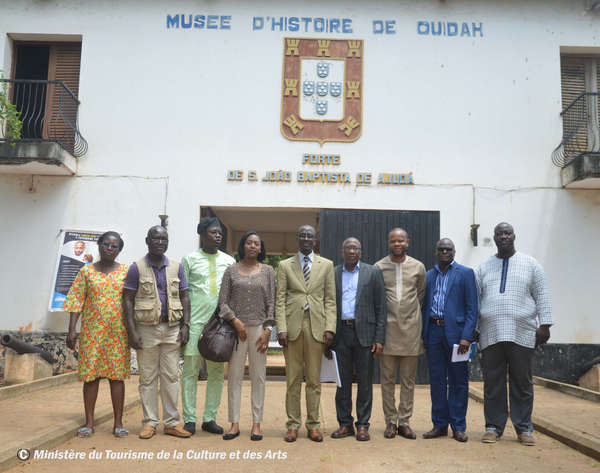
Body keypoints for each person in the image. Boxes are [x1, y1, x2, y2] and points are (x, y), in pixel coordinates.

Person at [476, 222, 552, 446]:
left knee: (522, 382)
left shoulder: (531, 264)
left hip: (523, 333)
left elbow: (542, 295)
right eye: (499, 234)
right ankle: (493, 427)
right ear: (495, 238)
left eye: (507, 233)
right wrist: (475, 329)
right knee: (493, 382)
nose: (503, 237)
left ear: (514, 236)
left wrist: (545, 325)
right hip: (490, 334)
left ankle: (524, 428)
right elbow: (476, 299)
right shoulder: (483, 267)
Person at [123, 225, 192, 439]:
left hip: (171, 329)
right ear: (147, 241)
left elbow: (185, 297)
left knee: (171, 377)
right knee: (148, 378)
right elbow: (127, 299)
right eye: (156, 239)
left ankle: (172, 423)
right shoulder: (137, 267)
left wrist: (186, 326)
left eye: (164, 239)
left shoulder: (176, 266)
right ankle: (150, 422)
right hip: (146, 330)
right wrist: (132, 331)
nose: (160, 242)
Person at [63, 231, 130, 438]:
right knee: (90, 378)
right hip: (92, 333)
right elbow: (76, 300)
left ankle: (118, 424)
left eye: (114, 246)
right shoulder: (86, 272)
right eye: (106, 244)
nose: (110, 248)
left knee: (117, 378)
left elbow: (132, 303)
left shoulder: (127, 272)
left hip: (119, 333)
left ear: (119, 250)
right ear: (99, 246)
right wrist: (72, 329)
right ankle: (89, 423)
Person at [276, 224, 336, 443]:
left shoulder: (326, 265)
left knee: (314, 380)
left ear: (314, 239)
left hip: (317, 327)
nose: (306, 239)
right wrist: (280, 327)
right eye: (302, 235)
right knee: (292, 379)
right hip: (291, 328)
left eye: (309, 236)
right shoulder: (284, 265)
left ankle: (313, 425)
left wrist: (330, 328)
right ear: (297, 238)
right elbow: (280, 298)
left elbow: (330, 299)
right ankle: (292, 425)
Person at [218, 231, 276, 441]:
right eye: (249, 243)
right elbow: (222, 302)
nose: (252, 246)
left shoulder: (268, 271)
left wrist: (268, 330)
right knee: (234, 377)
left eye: (257, 244)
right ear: (242, 246)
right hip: (236, 331)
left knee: (258, 377)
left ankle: (257, 424)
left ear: (261, 249)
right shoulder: (231, 271)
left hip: (259, 330)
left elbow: (272, 302)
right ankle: (234, 424)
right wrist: (235, 320)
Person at [181, 217, 235, 435]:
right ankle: (189, 419)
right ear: (202, 234)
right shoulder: (189, 259)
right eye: (213, 232)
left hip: (219, 327)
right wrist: (183, 324)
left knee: (216, 372)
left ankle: (210, 418)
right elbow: (182, 293)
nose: (218, 235)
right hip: (194, 324)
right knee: (190, 372)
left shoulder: (229, 261)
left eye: (220, 232)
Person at [421, 238, 478, 442]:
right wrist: (424, 336)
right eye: (441, 249)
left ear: (454, 252)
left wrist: (467, 337)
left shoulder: (465, 274)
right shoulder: (428, 275)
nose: (445, 252)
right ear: (436, 252)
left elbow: (473, 309)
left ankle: (458, 426)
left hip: (457, 336)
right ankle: (439, 425)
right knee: (436, 381)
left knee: (458, 382)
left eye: (448, 249)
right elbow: (424, 306)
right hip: (434, 333)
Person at [331, 238, 386, 442]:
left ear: (360, 251)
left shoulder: (373, 273)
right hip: (340, 333)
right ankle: (345, 424)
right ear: (342, 251)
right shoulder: (333, 273)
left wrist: (379, 338)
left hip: (365, 334)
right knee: (342, 383)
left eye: (355, 248)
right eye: (348, 248)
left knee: (365, 382)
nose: (352, 251)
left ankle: (363, 425)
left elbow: (381, 307)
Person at [375, 228, 426, 439]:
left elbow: (421, 294)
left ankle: (404, 422)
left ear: (408, 242)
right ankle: (390, 422)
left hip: (411, 331)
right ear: (389, 243)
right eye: (393, 241)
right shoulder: (379, 267)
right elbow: (378, 298)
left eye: (401, 240)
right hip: (387, 332)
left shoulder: (418, 267)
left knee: (408, 380)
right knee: (386, 380)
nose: (397, 244)